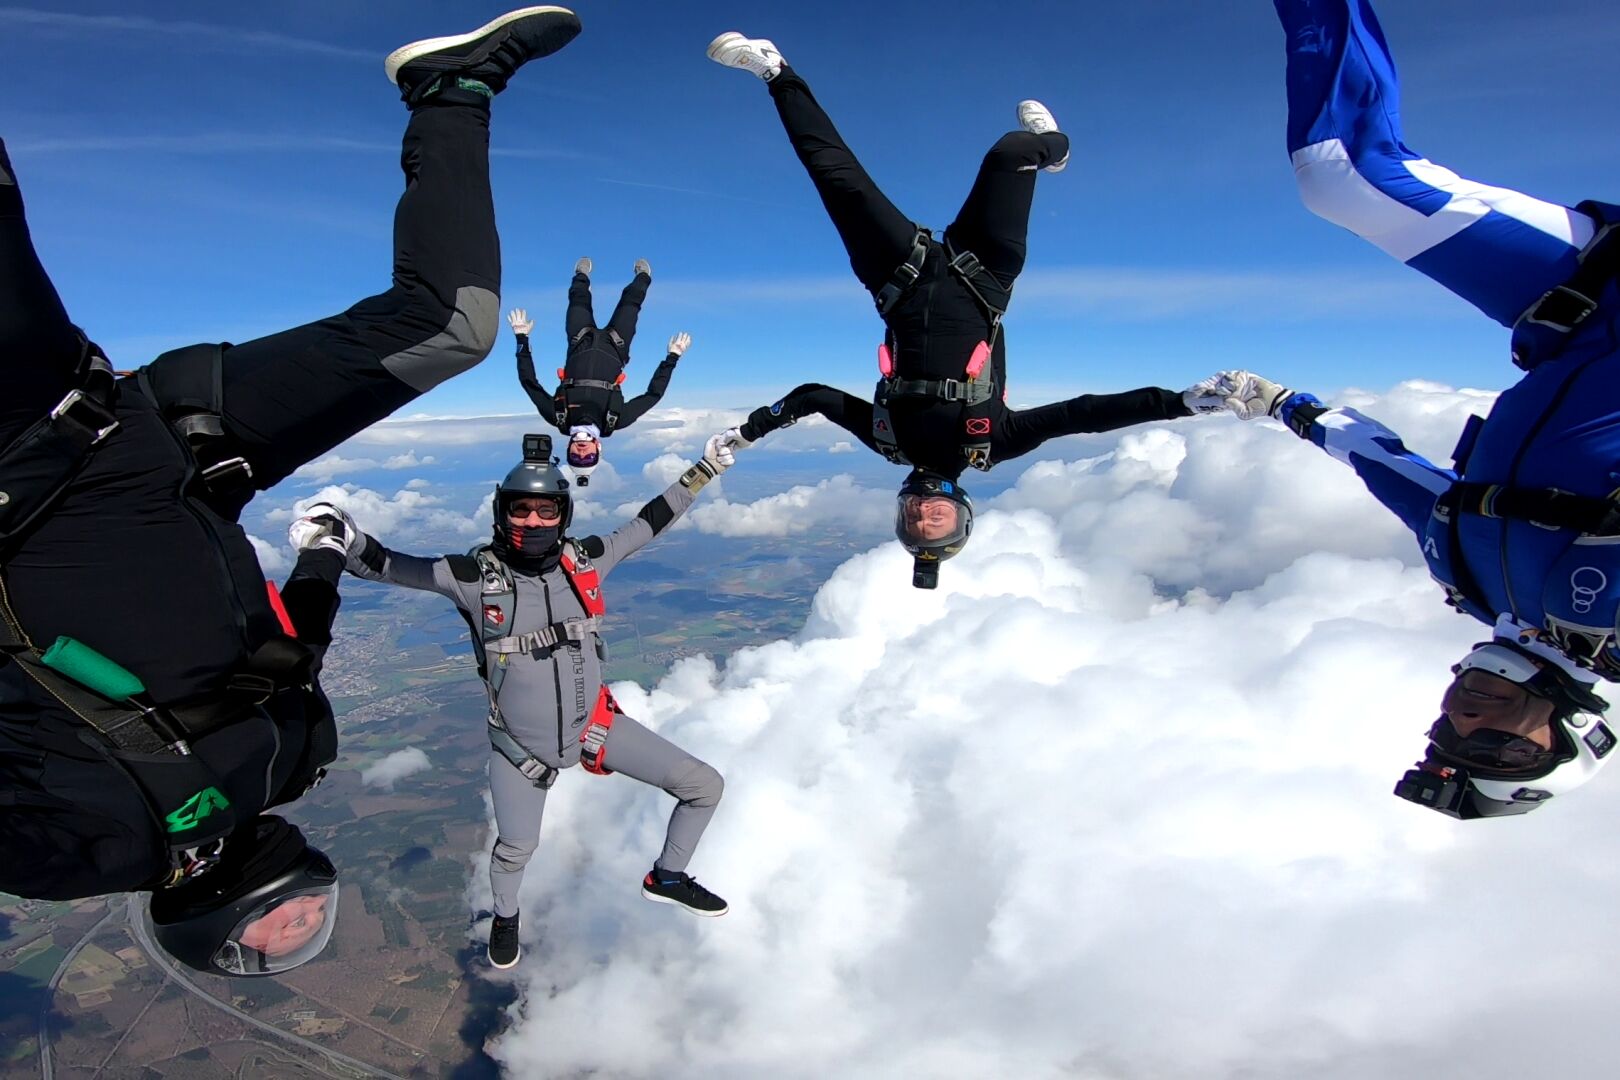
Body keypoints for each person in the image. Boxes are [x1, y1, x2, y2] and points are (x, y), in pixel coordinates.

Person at [0, 6, 583, 977]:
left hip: (27, 455)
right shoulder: (298, 761)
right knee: (450, 325)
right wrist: (324, 555)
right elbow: (294, 646)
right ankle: (453, 91)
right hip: (183, 449)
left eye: (278, 940)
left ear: (210, 933)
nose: (304, 918)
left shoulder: (73, 857)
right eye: (315, 925)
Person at [1208, 0, 1620, 819]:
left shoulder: (1469, 577)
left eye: (1446, 738)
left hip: (1571, 306)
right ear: (1583, 736)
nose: (1465, 722)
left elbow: (1389, 469)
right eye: (1498, 750)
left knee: (1338, 171)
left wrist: (1286, 406)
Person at [705, 33, 1229, 589]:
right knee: (1011, 153)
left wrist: (750, 431)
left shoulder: (887, 440)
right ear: (961, 511)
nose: (926, 514)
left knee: (837, 179)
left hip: (897, 278)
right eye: (940, 523)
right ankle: (1052, 146)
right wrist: (1179, 404)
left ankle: (777, 72)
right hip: (983, 276)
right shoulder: (991, 444)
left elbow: (814, 396)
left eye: (915, 522)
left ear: (902, 511)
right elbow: (1082, 414)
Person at [331, 431, 738, 969]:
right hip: (520, 749)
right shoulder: (474, 578)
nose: (533, 521)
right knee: (517, 848)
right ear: (501, 513)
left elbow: (650, 521)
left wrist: (704, 470)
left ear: (563, 515)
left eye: (547, 511)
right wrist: (343, 538)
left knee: (704, 786)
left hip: (594, 728)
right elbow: (387, 565)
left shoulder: (586, 562)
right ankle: (505, 916)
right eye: (520, 509)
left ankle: (667, 877)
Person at [508, 257, 691, 485]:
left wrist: (522, 339)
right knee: (630, 303)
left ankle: (581, 275)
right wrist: (672, 357)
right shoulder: (615, 420)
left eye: (575, 457)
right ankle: (643, 276)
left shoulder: (557, 416)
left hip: (579, 341)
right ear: (598, 448)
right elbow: (653, 395)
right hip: (616, 345)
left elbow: (529, 382)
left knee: (578, 298)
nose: (581, 452)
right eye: (588, 457)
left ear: (568, 448)